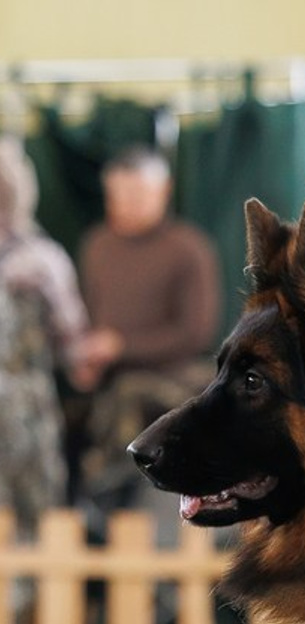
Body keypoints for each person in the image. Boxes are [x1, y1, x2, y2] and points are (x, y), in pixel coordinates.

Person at [73, 146, 221, 518]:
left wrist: (122, 347)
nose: (126, 205)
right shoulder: (97, 245)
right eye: (118, 195)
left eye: (137, 195)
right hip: (108, 388)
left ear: (164, 190)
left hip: (171, 385)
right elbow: (89, 318)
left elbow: (195, 333)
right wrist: (88, 357)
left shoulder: (189, 248)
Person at [0, 135, 92, 528]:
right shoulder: (41, 258)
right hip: (26, 403)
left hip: (25, 407)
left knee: (33, 514)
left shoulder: (40, 259)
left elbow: (76, 348)